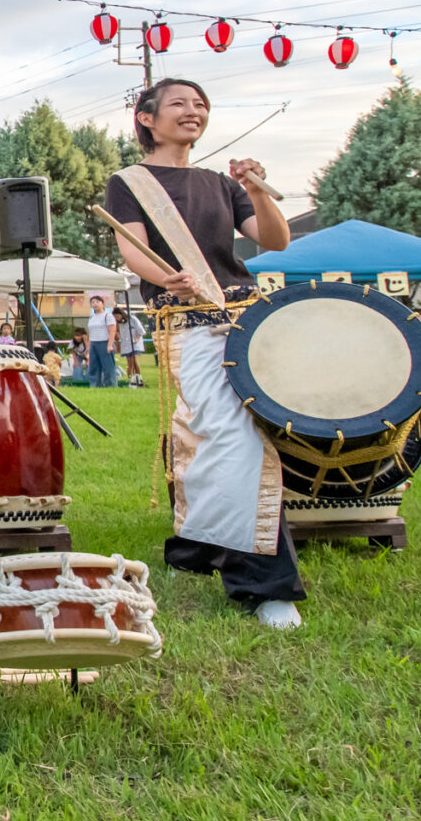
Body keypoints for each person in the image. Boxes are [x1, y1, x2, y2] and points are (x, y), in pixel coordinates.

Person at [103, 77, 302, 628]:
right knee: (233, 434)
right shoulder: (130, 182)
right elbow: (132, 248)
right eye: (179, 104)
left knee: (218, 430)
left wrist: (258, 188)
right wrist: (171, 278)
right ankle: (263, 581)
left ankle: (196, 545)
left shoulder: (220, 181)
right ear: (147, 118)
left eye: (201, 104)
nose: (193, 112)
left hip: (243, 316)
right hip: (186, 321)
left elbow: (274, 239)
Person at [81, 293, 122, 388]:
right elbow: (90, 332)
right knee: (94, 366)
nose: (95, 304)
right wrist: (89, 346)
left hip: (104, 342)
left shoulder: (107, 316)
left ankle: (110, 385)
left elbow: (112, 331)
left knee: (108, 366)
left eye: (97, 302)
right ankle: (95, 385)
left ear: (102, 304)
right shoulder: (91, 317)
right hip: (94, 343)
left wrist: (110, 345)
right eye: (92, 302)